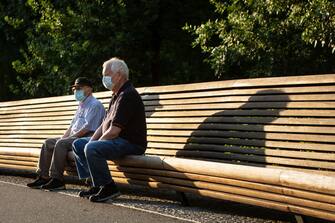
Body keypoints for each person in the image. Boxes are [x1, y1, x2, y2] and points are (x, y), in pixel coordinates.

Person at [72, 58, 147, 203]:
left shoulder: (128, 95)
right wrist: (92, 141)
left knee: (91, 147)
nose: (103, 78)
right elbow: (103, 125)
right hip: (117, 141)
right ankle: (96, 184)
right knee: (79, 144)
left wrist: (93, 146)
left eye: (106, 74)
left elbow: (114, 131)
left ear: (118, 75)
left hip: (130, 143)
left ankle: (109, 187)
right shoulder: (116, 95)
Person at [27, 77, 106, 190]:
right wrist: (63, 137)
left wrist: (67, 139)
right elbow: (71, 126)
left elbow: (87, 128)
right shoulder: (81, 105)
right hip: (72, 137)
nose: (76, 91)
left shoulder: (95, 105)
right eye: (74, 89)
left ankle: (57, 179)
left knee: (61, 144)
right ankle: (44, 177)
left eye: (79, 88)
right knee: (48, 143)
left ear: (89, 89)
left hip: (85, 138)